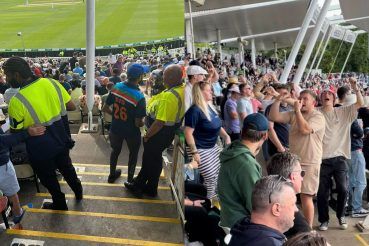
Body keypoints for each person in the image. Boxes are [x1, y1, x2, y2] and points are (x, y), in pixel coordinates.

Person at [4, 56, 83, 210]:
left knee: (48, 177)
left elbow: (16, 133)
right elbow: (72, 106)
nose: (6, 79)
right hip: (62, 140)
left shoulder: (16, 101)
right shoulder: (52, 83)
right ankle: (78, 192)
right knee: (67, 168)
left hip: (40, 149)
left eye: (8, 75)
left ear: (17, 75)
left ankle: (59, 203)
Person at [124, 64, 185, 197]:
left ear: (171, 78)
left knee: (148, 160)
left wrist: (147, 136)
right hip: (167, 134)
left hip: (158, 134)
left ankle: (138, 185)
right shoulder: (181, 89)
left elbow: (159, 123)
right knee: (155, 159)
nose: (162, 78)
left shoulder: (169, 96)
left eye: (165, 76)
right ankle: (151, 188)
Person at [268, 89, 325, 228]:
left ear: (314, 102)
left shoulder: (318, 116)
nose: (301, 101)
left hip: (310, 162)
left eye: (305, 99)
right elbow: (273, 116)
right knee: (288, 194)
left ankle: (308, 229)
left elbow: (304, 130)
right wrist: (277, 100)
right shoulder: (293, 113)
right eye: (300, 98)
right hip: (294, 162)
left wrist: (298, 111)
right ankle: (290, 225)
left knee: (306, 197)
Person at [317, 78, 363, 231]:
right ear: (320, 98)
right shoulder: (316, 113)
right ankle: (324, 220)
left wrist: (355, 87)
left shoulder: (343, 111)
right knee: (322, 192)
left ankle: (341, 215)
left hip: (340, 158)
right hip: (321, 159)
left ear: (334, 98)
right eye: (323, 93)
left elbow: (360, 103)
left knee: (343, 189)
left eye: (329, 93)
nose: (326, 95)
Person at [218, 113, 269, 228]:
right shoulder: (246, 164)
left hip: (229, 218)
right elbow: (255, 206)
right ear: (265, 136)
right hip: (240, 226)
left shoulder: (233, 150)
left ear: (242, 132)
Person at [184, 81, 231, 199]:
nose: (212, 92)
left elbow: (217, 125)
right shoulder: (194, 111)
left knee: (219, 174)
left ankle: (210, 197)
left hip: (212, 147)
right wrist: (195, 153)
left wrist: (226, 136)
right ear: (200, 92)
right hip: (200, 149)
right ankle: (208, 202)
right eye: (208, 90)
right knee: (211, 178)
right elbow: (188, 133)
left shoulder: (209, 106)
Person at [102, 64, 146, 183]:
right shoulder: (139, 96)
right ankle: (130, 180)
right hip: (131, 131)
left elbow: (105, 108)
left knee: (115, 151)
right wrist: (144, 122)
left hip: (115, 128)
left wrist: (116, 115)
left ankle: (111, 175)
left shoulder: (116, 87)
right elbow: (138, 123)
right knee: (133, 154)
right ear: (140, 77)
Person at [0, 118, 45, 225]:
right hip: (2, 166)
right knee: (12, 193)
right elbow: (4, 141)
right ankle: (17, 214)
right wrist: (28, 132)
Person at [229, 175, 297, 246]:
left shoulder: (243, 228)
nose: (296, 209)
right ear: (276, 209)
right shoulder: (269, 243)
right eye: (293, 204)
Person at [267, 152, 311, 238]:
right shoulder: (300, 227)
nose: (302, 178)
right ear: (293, 176)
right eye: (301, 173)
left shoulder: (263, 200)